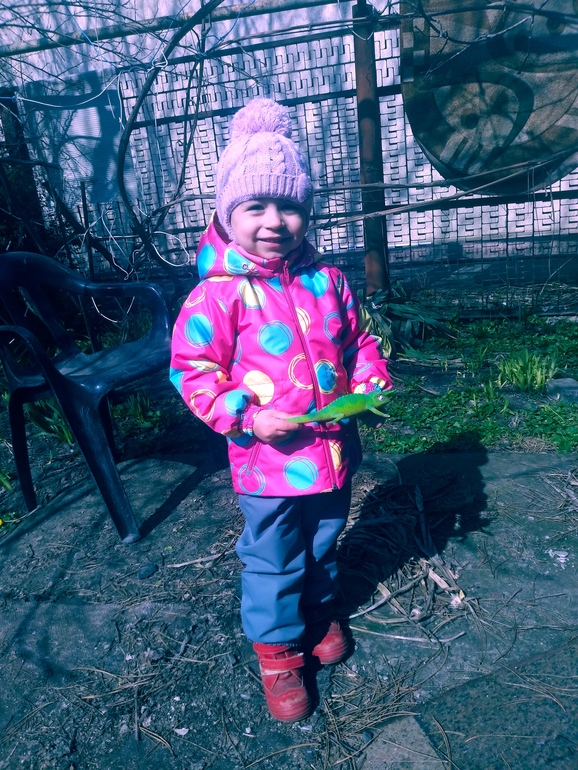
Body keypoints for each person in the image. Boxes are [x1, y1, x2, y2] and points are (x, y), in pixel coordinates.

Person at [170, 97, 392, 722]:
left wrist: (370, 377)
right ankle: (277, 652)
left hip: (332, 452)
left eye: (289, 206)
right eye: (256, 207)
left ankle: (318, 615)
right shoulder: (218, 296)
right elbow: (193, 370)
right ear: (227, 214)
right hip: (266, 463)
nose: (274, 221)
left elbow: (359, 340)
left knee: (323, 540)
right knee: (273, 556)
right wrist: (245, 417)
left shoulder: (329, 282)